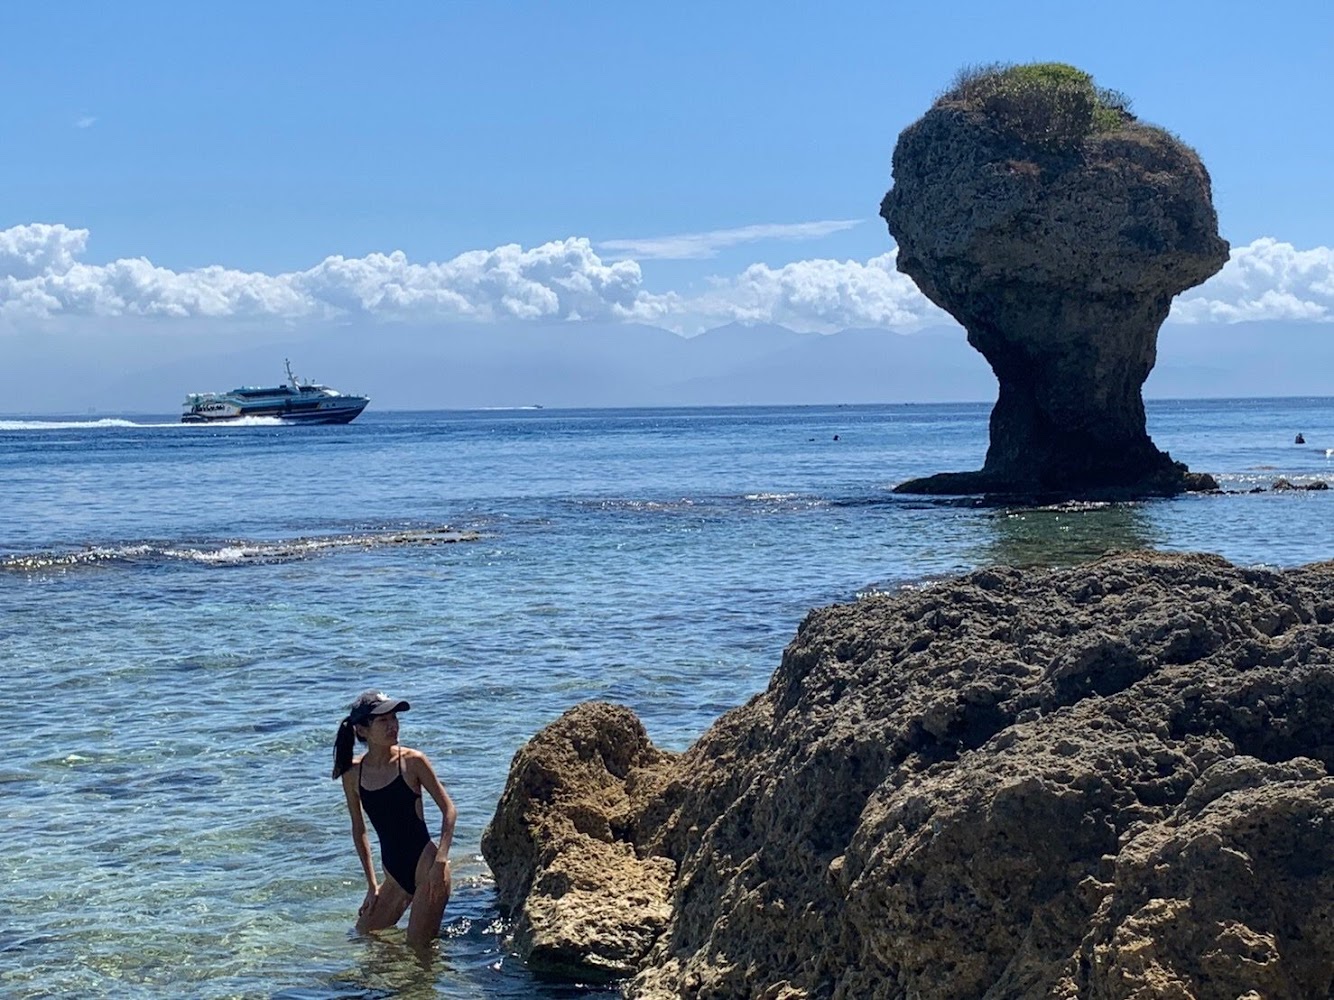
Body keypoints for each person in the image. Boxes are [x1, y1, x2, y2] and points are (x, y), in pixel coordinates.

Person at [332, 690, 457, 949]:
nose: (393, 726)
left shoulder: (412, 762)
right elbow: (359, 829)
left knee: (420, 951)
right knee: (363, 935)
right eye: (383, 721)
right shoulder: (353, 774)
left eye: (394, 719)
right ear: (362, 730)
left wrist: (441, 860)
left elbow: (449, 810)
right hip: (394, 877)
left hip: (428, 870)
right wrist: (371, 885)